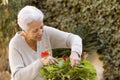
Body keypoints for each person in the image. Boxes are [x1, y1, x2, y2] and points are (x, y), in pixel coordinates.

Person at [9, 5, 82, 80]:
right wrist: (41, 63)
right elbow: (17, 76)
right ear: (24, 31)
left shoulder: (46, 33)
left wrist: (75, 52)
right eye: (35, 30)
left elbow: (74, 38)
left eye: (41, 27)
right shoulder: (15, 45)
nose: (40, 32)